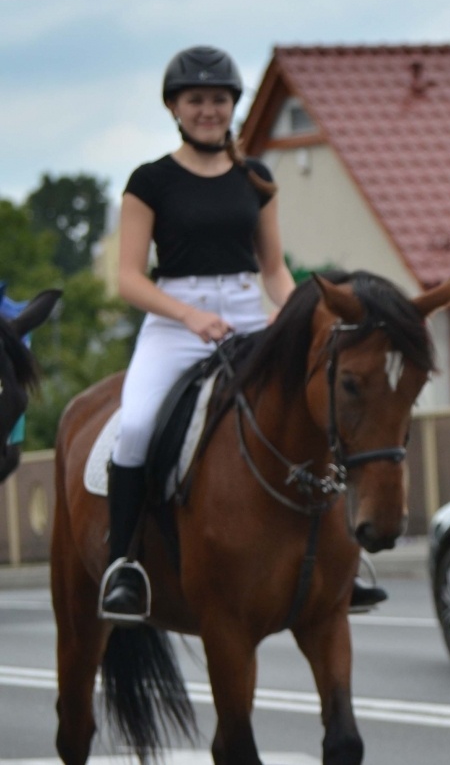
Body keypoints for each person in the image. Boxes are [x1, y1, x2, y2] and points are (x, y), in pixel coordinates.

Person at [99, 47, 387, 623]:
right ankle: (124, 565)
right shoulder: (150, 181)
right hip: (174, 323)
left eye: (218, 99)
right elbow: (128, 278)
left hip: (248, 315)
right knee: (135, 427)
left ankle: (342, 560)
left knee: (313, 410)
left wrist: (296, 317)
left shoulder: (256, 177)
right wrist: (188, 316)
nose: (208, 110)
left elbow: (274, 270)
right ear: (174, 107)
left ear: (233, 105)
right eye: (196, 100)